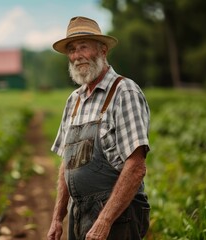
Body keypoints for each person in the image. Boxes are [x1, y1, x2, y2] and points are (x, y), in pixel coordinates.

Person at [47, 16, 151, 240]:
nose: (76, 56)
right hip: (80, 212)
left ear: (103, 50)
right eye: (72, 50)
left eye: (83, 47)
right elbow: (67, 163)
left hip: (118, 215)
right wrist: (58, 217)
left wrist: (104, 220)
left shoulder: (124, 92)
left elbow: (136, 166)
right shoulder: (73, 101)